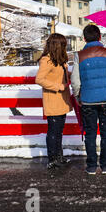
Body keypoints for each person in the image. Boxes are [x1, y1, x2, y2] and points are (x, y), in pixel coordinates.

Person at [71, 24, 106, 175]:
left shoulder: (79, 55)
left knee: (90, 134)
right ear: (100, 37)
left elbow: (75, 80)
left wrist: (78, 96)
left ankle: (91, 166)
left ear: (84, 38)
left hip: (87, 101)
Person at [35, 33, 73, 169]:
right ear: (57, 45)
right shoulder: (46, 60)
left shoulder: (60, 59)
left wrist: (71, 74)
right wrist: (58, 86)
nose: (65, 46)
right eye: (63, 44)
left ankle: (59, 156)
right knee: (53, 131)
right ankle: (52, 158)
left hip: (62, 100)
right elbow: (39, 79)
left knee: (59, 131)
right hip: (53, 99)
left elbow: (61, 74)